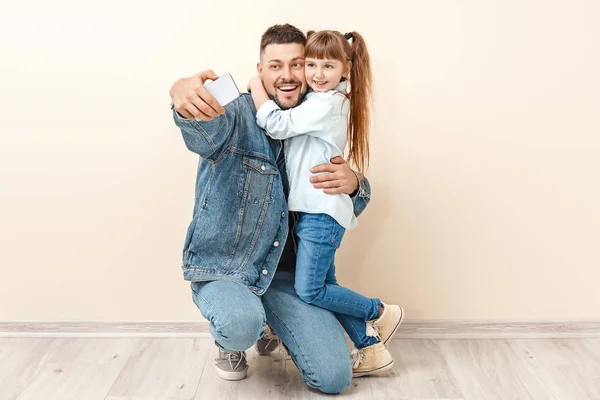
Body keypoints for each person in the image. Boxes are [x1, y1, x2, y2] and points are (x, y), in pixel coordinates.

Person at [169, 24, 373, 394]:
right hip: (230, 267)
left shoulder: (318, 114)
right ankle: (234, 335)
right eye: (276, 66)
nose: (289, 76)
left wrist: (356, 183)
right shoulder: (236, 113)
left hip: (287, 276)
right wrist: (181, 95)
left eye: (299, 64)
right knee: (239, 325)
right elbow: (201, 132)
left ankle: (272, 322)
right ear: (259, 70)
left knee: (333, 378)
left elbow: (336, 192)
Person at [247, 29, 404, 377]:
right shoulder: (321, 101)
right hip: (312, 212)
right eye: (312, 65)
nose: (317, 74)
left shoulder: (326, 103)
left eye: (327, 66)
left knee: (311, 289)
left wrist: (255, 86)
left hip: (321, 214)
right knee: (326, 287)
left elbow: (275, 123)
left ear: (345, 70)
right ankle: (369, 347)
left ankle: (378, 311)